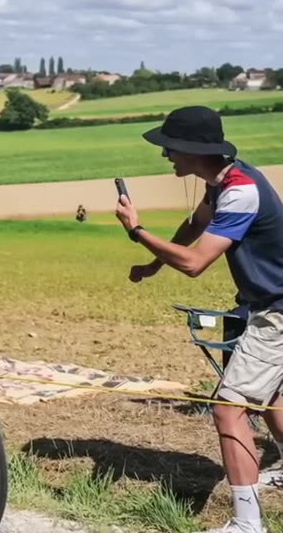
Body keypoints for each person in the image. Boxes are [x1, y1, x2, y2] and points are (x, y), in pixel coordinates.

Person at [118, 106, 283, 533]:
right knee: (270, 402)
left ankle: (248, 525)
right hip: (266, 304)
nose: (165, 156)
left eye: (170, 148)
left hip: (277, 312)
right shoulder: (223, 180)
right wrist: (154, 264)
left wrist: (137, 231)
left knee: (228, 408)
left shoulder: (240, 190)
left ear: (193, 149)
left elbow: (194, 264)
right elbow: (195, 225)